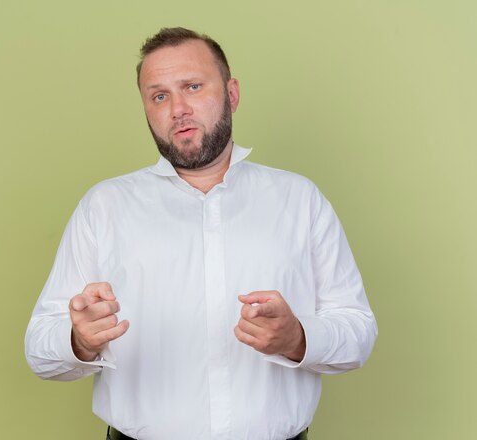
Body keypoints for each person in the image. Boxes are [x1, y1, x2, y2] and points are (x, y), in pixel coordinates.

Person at [25, 27, 377, 440]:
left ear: (232, 94)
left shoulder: (299, 199)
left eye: (192, 86)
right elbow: (39, 350)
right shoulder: (104, 206)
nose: (178, 109)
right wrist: (79, 341)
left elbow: (358, 332)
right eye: (159, 96)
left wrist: (297, 338)